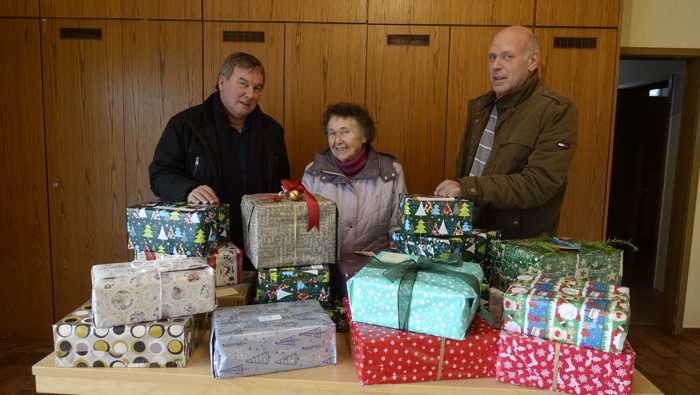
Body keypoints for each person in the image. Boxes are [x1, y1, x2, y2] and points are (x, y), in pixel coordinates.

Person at [434, 25, 578, 239]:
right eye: (492, 58)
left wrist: (467, 188)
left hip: (516, 246)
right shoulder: (480, 108)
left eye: (507, 57)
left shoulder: (556, 110)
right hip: (471, 236)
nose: (496, 66)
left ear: (532, 62)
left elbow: (539, 183)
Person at [149, 52, 290, 249]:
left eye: (257, 88)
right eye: (243, 84)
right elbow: (159, 175)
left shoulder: (272, 131)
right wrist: (188, 190)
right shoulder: (185, 125)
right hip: (204, 244)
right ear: (222, 82)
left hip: (261, 245)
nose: (250, 94)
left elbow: (283, 183)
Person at [302, 102, 407, 255]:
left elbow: (398, 228)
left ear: (364, 136)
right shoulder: (313, 172)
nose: (337, 141)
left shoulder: (391, 171)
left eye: (345, 132)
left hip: (374, 271)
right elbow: (304, 230)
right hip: (326, 268)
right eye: (332, 133)